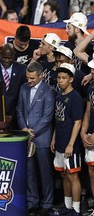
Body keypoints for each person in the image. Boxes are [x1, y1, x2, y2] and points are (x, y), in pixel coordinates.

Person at [17, 61, 55, 216]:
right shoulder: (23, 88)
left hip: (42, 139)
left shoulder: (49, 91)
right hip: (26, 138)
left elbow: (47, 117)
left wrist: (32, 133)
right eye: (28, 77)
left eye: (32, 78)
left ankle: (47, 203)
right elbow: (19, 109)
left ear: (41, 76)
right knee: (29, 171)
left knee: (45, 173)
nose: (29, 80)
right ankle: (32, 202)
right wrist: (24, 130)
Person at [50, 63, 84, 216]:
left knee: (72, 174)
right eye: (59, 78)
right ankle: (67, 206)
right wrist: (54, 138)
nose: (60, 81)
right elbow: (58, 119)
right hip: (60, 142)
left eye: (64, 78)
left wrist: (71, 144)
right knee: (64, 174)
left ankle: (76, 210)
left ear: (71, 79)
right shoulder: (59, 95)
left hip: (71, 144)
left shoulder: (75, 97)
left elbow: (78, 122)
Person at [0, 43, 27, 129]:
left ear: (14, 56)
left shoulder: (22, 70)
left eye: (10, 58)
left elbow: (23, 97)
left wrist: (13, 115)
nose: (7, 61)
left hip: (16, 120)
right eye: (4, 58)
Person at [80, 58, 94, 216]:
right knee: (91, 170)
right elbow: (88, 111)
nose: (91, 71)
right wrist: (83, 132)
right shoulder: (91, 87)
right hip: (90, 135)